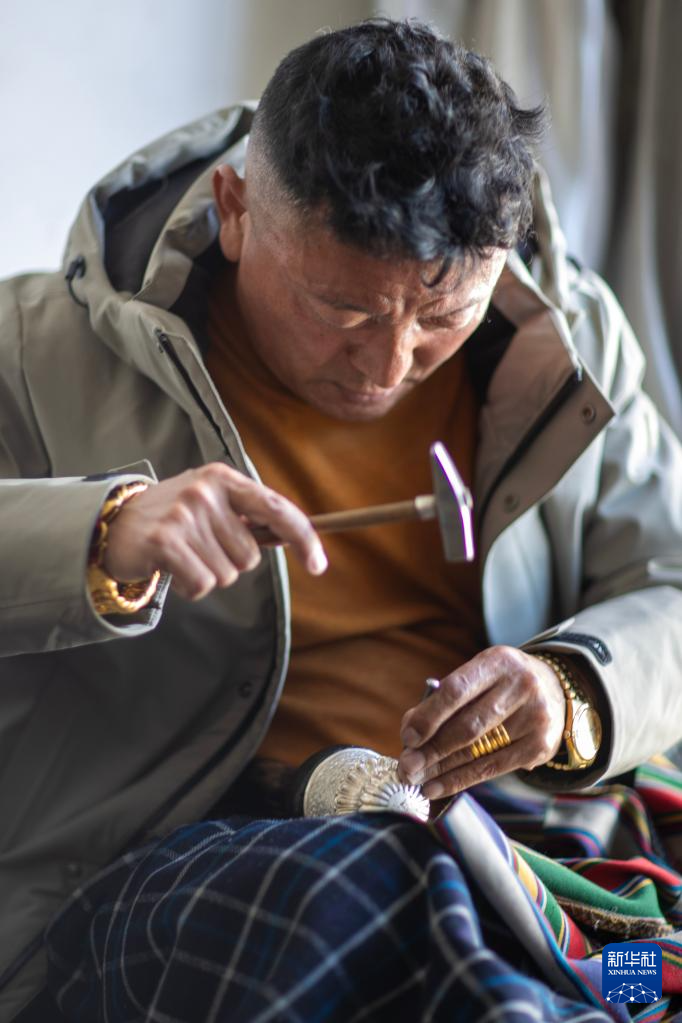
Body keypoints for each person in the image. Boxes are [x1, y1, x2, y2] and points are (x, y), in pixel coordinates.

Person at [2, 16, 682, 1022]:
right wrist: (103, 534)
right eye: (344, 310)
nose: (388, 367)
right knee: (382, 904)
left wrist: (572, 688)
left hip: (513, 833)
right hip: (208, 852)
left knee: (627, 964)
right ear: (236, 210)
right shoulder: (34, 351)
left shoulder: (565, 337)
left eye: (440, 318)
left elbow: (668, 580)